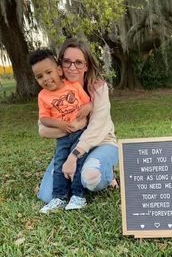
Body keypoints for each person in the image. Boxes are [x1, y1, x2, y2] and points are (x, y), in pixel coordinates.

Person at [37, 38, 118, 205]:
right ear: (59, 65)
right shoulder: (51, 91)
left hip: (101, 143)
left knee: (90, 178)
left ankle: (106, 173)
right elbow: (43, 130)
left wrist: (73, 157)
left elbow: (96, 128)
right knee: (47, 196)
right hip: (69, 145)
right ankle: (77, 173)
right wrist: (76, 126)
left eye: (79, 62)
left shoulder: (98, 88)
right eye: (67, 61)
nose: (72, 67)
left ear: (86, 66)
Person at [29, 48, 92, 213]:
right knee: (59, 164)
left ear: (58, 70)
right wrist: (60, 125)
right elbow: (44, 119)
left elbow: (88, 103)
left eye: (49, 72)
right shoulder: (43, 96)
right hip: (62, 138)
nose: (46, 79)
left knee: (78, 162)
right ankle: (59, 198)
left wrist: (87, 108)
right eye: (39, 76)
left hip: (81, 134)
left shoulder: (73, 87)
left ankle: (78, 196)